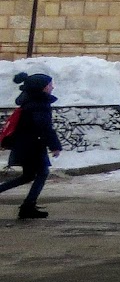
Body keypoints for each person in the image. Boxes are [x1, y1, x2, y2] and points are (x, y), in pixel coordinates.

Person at [0, 72, 61, 220]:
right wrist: (54, 145)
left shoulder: (30, 101)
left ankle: (28, 205)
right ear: (42, 87)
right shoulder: (39, 104)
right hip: (32, 146)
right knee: (41, 173)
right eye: (49, 84)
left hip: (24, 145)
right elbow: (44, 126)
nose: (52, 87)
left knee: (28, 176)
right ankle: (28, 206)